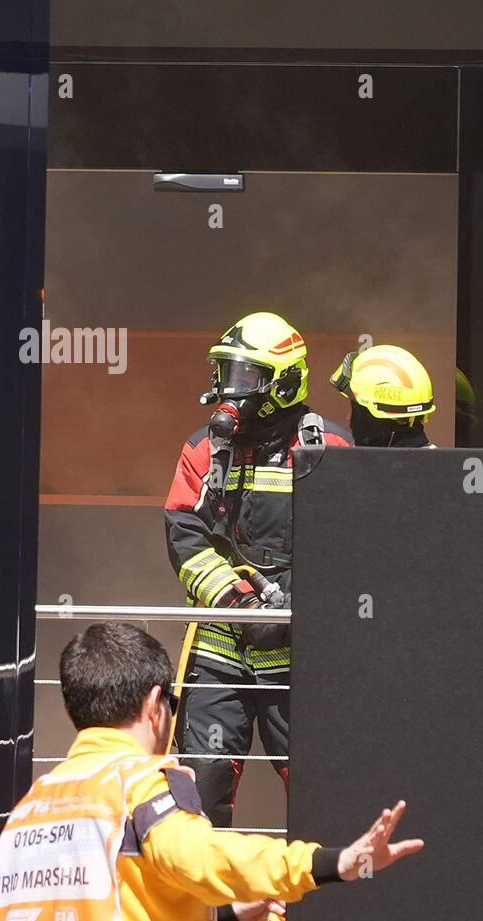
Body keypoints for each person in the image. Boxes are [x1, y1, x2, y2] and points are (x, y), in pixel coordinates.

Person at [0, 622, 422, 921]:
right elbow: (205, 858)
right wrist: (335, 862)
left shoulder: (30, 807)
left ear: (70, 709)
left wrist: (230, 916)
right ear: (156, 705)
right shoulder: (141, 784)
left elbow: (110, 916)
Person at [164, 311, 352, 826]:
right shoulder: (205, 449)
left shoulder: (326, 450)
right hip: (219, 651)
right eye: (226, 373)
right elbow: (185, 537)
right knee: (197, 797)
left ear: (285, 382)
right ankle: (212, 909)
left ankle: (317, 905)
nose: (230, 388)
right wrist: (239, 603)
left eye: (245, 377)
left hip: (301, 662)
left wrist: (293, 606)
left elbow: (351, 553)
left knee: (324, 800)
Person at [329, 344, 437, 447]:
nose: (348, 417)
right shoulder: (439, 464)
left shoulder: (360, 465)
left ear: (375, 420)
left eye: (357, 410)